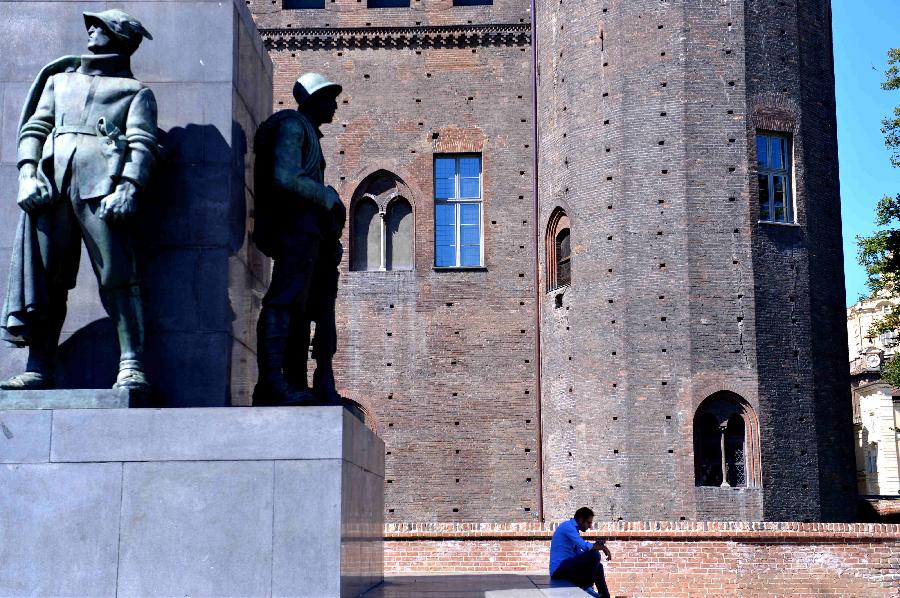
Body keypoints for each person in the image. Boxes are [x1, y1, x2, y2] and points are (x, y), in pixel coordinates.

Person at [0, 10, 157, 391]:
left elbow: (143, 144)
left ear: (120, 37)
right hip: (50, 188)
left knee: (117, 277)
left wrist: (128, 187)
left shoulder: (135, 92)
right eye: (91, 24)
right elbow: (35, 127)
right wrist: (26, 173)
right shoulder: (58, 81)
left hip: (102, 189)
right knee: (45, 282)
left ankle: (131, 364)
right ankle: (38, 366)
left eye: (100, 26)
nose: (91, 30)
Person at [251, 73, 346, 406]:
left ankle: (295, 381)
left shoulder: (308, 133)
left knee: (305, 308)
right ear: (313, 100)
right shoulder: (293, 127)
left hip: (310, 231)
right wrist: (326, 196)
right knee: (285, 299)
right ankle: (272, 384)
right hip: (295, 228)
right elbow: (284, 176)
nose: (335, 104)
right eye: (329, 97)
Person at [549, 506, 612, 598]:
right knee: (594, 555)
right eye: (588, 522)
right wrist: (601, 547)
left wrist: (596, 545)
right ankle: (586, 587)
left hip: (567, 568)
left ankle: (605, 596)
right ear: (581, 519)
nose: (590, 526)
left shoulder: (573, 529)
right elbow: (585, 546)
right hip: (558, 570)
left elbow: (580, 553)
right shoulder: (568, 527)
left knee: (599, 566)